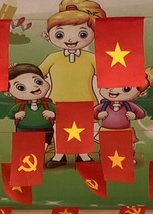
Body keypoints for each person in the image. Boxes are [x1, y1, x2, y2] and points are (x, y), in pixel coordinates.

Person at [39, 0, 105, 166]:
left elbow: (106, 74)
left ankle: (83, 155)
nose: (70, 39)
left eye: (82, 34)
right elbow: (37, 75)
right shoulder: (53, 58)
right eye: (60, 35)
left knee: (84, 129)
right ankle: (59, 156)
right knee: (59, 129)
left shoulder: (91, 58)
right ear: (47, 36)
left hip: (86, 102)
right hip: (58, 102)